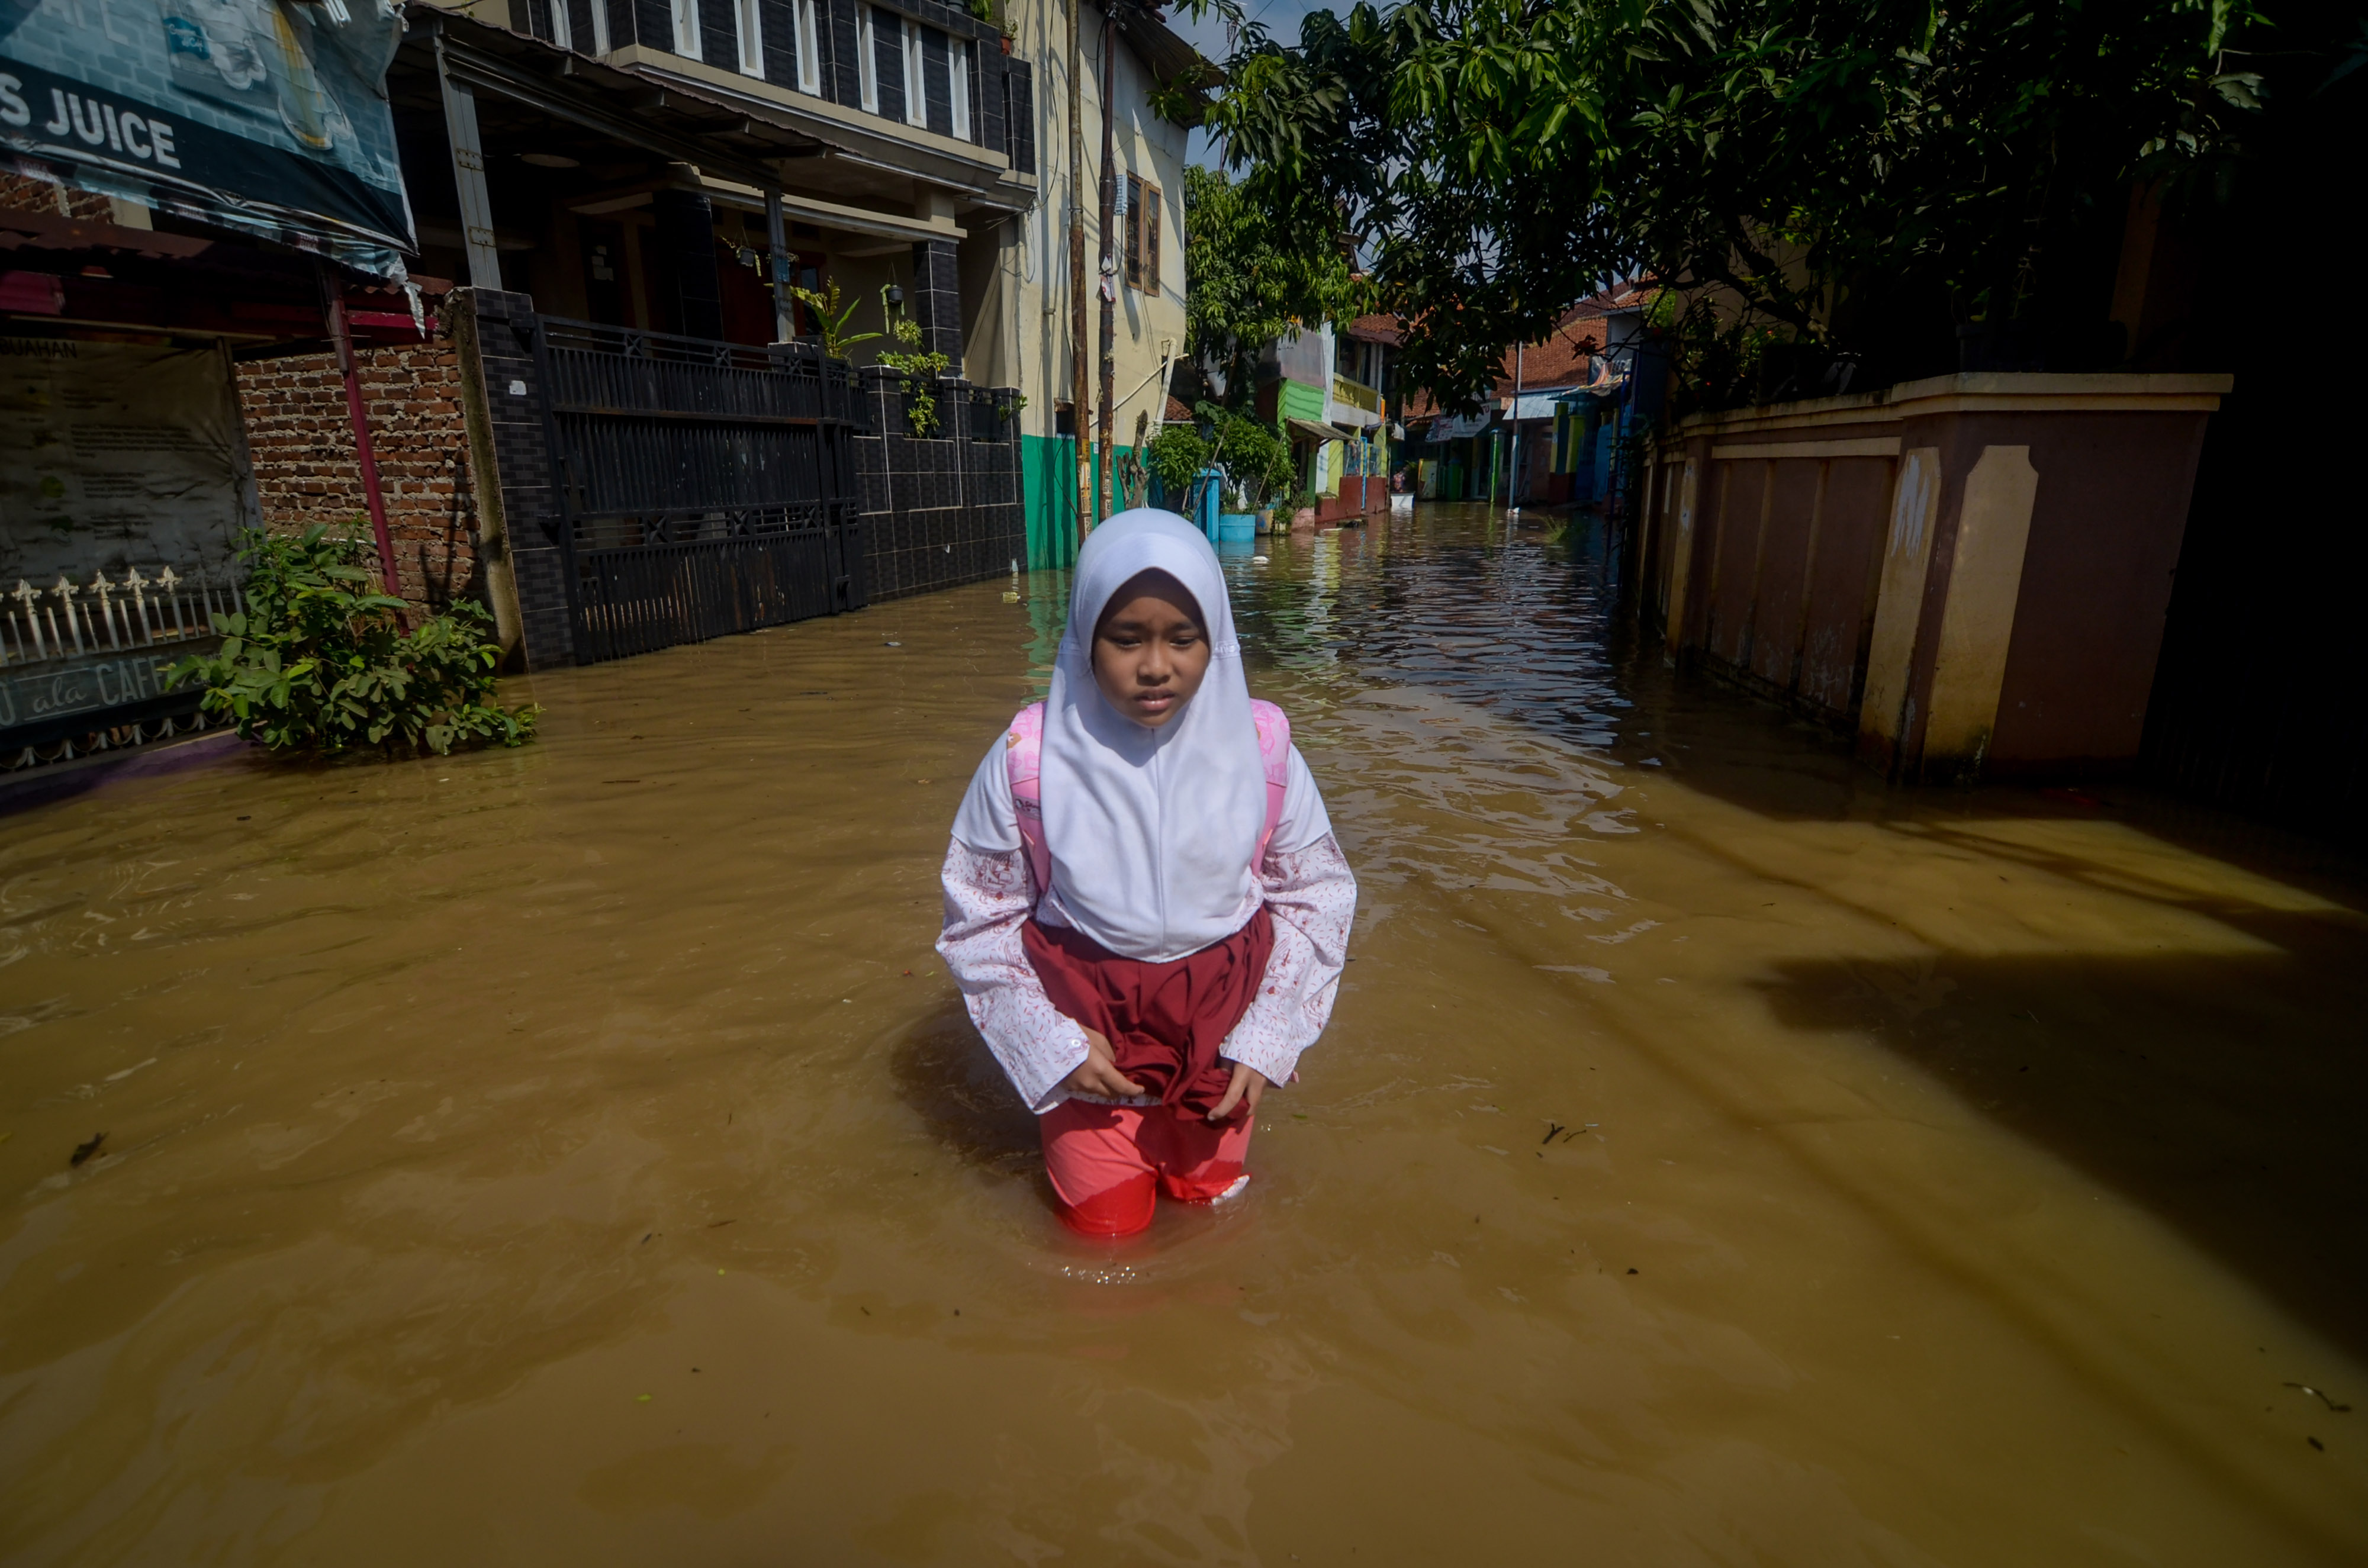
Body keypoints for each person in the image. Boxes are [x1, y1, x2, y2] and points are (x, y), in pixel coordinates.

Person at [936, 510, 1359, 1238]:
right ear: (1084, 641)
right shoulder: (1025, 759)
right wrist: (1050, 1045)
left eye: (1182, 639)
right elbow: (981, 917)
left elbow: (1316, 894)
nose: (1156, 665)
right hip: (1086, 1027)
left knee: (1210, 1210)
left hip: (1223, 1034)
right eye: (1126, 639)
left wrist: (1267, 1034)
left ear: (1216, 640)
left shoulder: (1264, 750)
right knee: (1104, 1234)